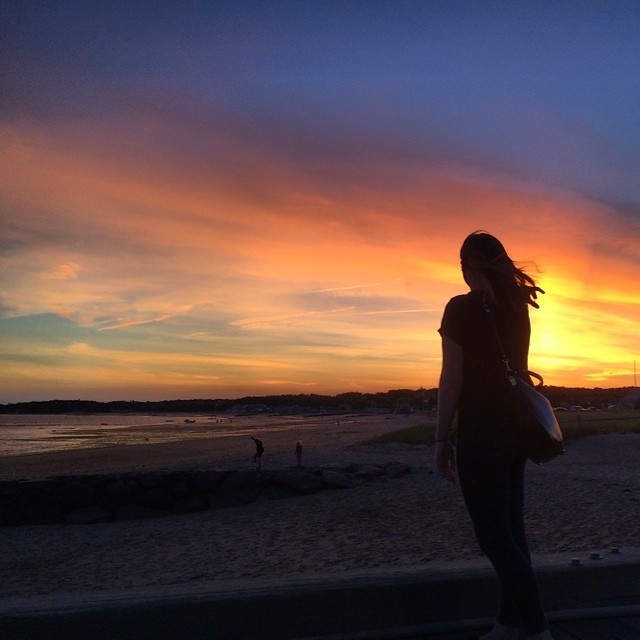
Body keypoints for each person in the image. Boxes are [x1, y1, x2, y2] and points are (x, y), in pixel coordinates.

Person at [435, 231, 552, 640]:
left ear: (469, 267)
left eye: (462, 265)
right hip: (517, 432)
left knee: (495, 538)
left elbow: (451, 381)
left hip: (481, 433)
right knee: (512, 534)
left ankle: (537, 629)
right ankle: (509, 623)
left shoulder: (459, 309)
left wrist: (439, 439)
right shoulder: (519, 308)